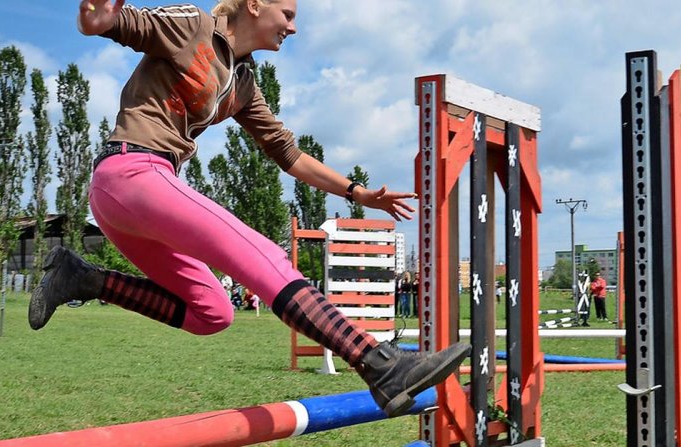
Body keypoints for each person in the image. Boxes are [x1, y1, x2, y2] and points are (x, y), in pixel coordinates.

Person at [30, 0, 470, 417]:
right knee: (265, 257)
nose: (293, 27)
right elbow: (107, 24)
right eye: (289, 13)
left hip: (139, 195)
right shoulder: (192, 27)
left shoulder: (241, 84)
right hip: (131, 172)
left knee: (212, 312)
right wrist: (96, 16)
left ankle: (84, 279)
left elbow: (289, 155)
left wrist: (358, 193)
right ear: (255, 5)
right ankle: (378, 363)